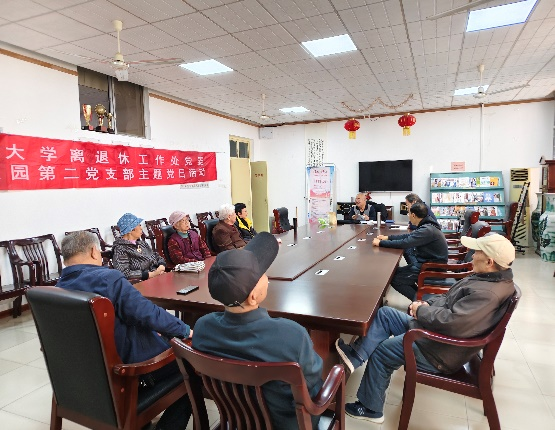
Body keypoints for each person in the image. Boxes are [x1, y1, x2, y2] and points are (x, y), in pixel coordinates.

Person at [336, 233, 516, 424]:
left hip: (440, 351)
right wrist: (426, 304)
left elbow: (453, 323)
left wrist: (421, 311)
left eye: (477, 252)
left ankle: (371, 408)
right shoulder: (487, 278)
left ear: (489, 262)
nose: (472, 255)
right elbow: (448, 299)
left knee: (382, 352)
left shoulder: (487, 293)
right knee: (385, 314)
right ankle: (354, 358)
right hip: (436, 331)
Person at [57, 231, 193, 430]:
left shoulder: (57, 289)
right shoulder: (108, 279)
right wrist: (185, 330)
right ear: (94, 251)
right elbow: (148, 313)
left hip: (86, 373)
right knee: (191, 368)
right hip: (128, 367)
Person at [192, 232, 324, 430]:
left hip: (236, 419)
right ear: (253, 296)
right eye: (262, 274)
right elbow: (313, 379)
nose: (267, 278)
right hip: (287, 424)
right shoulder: (292, 335)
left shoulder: (203, 328)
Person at [373, 202, 448, 301]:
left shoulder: (427, 230)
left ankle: (420, 302)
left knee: (394, 279)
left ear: (413, 215)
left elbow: (404, 243)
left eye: (408, 214)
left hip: (431, 268)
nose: (408, 216)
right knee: (395, 273)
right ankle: (420, 296)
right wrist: (388, 238)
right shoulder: (427, 225)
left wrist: (380, 243)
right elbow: (408, 236)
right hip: (429, 263)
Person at [112, 213, 166, 281]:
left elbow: (156, 256)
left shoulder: (142, 243)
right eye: (139, 225)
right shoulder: (120, 249)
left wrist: (161, 265)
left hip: (157, 277)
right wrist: (150, 274)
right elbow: (124, 273)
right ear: (130, 230)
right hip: (141, 283)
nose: (141, 228)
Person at [404, 193, 439, 265]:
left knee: (408, 247)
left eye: (407, 204)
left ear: (413, 202)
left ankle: (414, 266)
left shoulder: (421, 209)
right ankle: (413, 266)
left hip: (429, 242)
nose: (407, 207)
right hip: (430, 238)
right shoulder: (422, 206)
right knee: (407, 244)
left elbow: (414, 226)